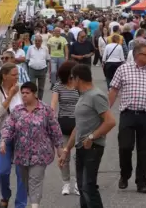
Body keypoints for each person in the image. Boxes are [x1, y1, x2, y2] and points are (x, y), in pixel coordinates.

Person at [109, 43, 146, 194]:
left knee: (143, 150)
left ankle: (141, 182)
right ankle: (125, 174)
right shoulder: (123, 69)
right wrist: (106, 110)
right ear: (137, 55)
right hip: (128, 114)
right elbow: (114, 89)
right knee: (125, 146)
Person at [59, 64, 116, 208]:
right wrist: (66, 150)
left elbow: (110, 122)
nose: (70, 81)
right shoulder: (83, 96)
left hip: (93, 148)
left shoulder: (96, 95)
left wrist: (92, 137)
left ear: (78, 78)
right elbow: (78, 126)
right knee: (82, 187)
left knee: (88, 187)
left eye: (71, 78)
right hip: (81, 148)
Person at [0, 82, 64, 208]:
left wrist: (59, 148)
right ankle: (33, 200)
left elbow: (55, 130)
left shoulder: (45, 110)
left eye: (27, 93)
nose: (24, 95)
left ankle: (35, 204)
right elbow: (8, 127)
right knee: (26, 183)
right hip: (21, 154)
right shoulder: (17, 110)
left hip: (40, 154)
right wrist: (3, 140)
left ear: (34, 94)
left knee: (35, 180)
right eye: (22, 93)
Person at [0, 63, 27, 208]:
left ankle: (21, 204)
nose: (17, 77)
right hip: (3, 135)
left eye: (17, 74)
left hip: (22, 135)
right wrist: (11, 95)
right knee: (2, 170)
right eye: (14, 74)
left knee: (22, 172)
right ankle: (5, 195)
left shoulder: (23, 88)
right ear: (4, 76)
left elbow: (32, 106)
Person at [51, 61, 80, 196]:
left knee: (80, 156)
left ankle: (78, 183)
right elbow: (53, 103)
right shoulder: (58, 86)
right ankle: (66, 183)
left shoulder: (78, 86)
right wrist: (51, 116)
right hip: (63, 122)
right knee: (64, 154)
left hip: (79, 122)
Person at [26, 35, 50, 100]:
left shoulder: (45, 48)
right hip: (32, 70)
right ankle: (32, 100)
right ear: (34, 41)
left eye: (39, 41)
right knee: (32, 87)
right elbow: (27, 59)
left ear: (41, 41)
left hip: (42, 70)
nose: (37, 42)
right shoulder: (30, 48)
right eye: (36, 41)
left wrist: (46, 69)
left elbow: (48, 59)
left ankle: (39, 101)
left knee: (41, 88)